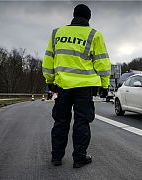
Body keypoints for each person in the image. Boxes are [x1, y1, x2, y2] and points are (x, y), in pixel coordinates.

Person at [42, 4, 111, 168]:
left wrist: (50, 81)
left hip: (63, 86)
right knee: (82, 122)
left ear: (73, 15)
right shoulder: (94, 35)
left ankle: (57, 157)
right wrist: (104, 85)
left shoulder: (56, 33)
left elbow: (48, 60)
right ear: (89, 18)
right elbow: (102, 63)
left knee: (60, 121)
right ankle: (79, 158)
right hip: (85, 87)